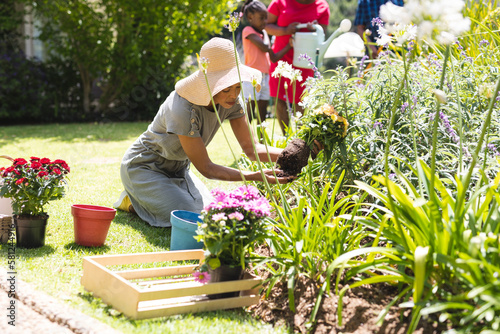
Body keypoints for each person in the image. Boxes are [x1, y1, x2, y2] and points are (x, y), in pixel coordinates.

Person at [115, 37, 293, 227]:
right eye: (226, 88)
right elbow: (207, 168)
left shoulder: (231, 102)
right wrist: (253, 175)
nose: (234, 95)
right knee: (189, 216)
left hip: (179, 170)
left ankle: (154, 196)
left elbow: (252, 149)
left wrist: (295, 155)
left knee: (212, 210)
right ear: (210, 82)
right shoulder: (182, 108)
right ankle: (134, 199)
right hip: (146, 167)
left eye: (238, 87)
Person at [265, 0, 330, 134]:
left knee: (301, 100)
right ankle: (286, 136)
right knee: (280, 98)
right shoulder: (279, 2)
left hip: (305, 61)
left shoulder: (322, 6)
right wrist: (285, 30)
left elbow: (322, 35)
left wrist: (315, 30)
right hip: (281, 58)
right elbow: (266, 25)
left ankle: (301, 138)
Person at [241, 0, 293, 124]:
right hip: (252, 76)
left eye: (266, 18)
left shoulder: (264, 33)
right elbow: (265, 47)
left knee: (262, 110)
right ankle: (248, 139)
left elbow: (273, 57)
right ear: (250, 17)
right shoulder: (248, 31)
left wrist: (289, 46)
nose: (265, 22)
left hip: (265, 76)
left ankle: (261, 140)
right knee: (250, 110)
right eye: (262, 18)